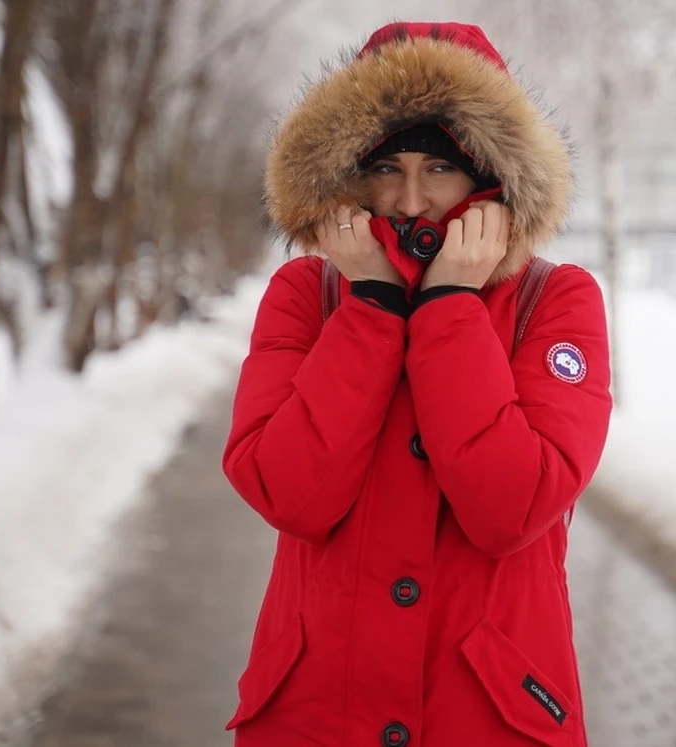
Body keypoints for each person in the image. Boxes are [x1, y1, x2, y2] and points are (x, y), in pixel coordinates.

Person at [222, 21, 613, 747]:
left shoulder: (553, 302)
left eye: (438, 168)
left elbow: (512, 508)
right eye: (386, 168)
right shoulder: (306, 294)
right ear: (347, 177)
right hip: (316, 714)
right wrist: (370, 306)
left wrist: (450, 307)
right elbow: (288, 494)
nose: (408, 202)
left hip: (486, 715)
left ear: (490, 176)